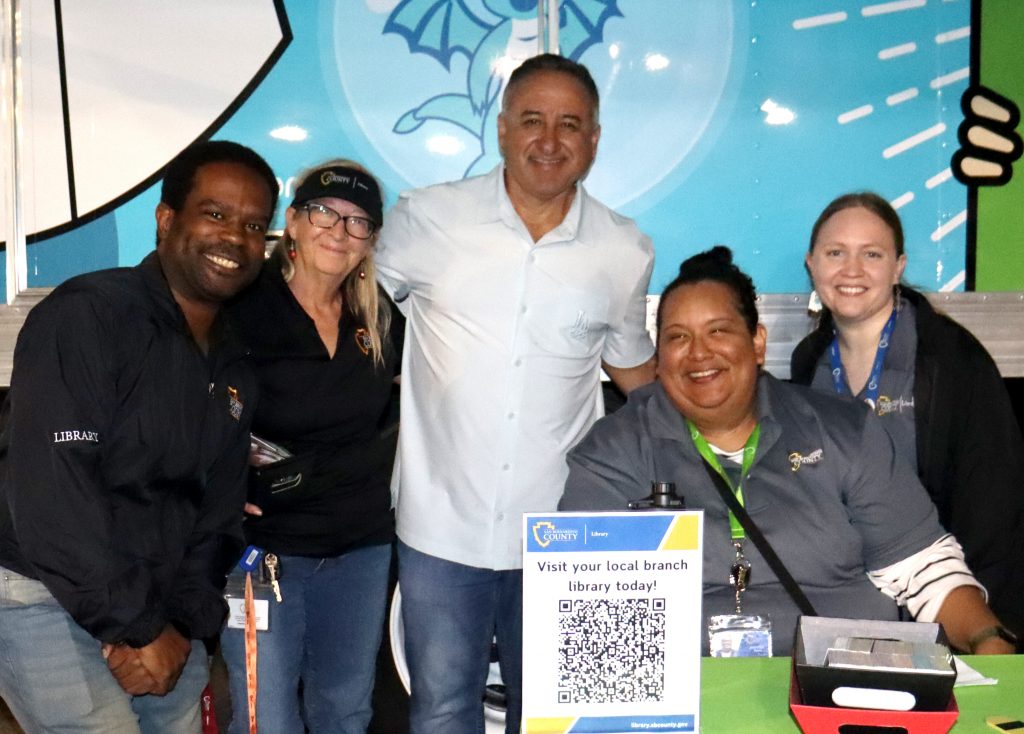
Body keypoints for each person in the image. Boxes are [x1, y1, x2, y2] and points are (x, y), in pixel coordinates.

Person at [375, 54, 657, 733]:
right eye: (532, 120)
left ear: (594, 139)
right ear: (502, 129)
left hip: (563, 529)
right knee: (442, 709)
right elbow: (344, 315)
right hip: (439, 525)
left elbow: (636, 375)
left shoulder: (624, 250)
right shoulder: (426, 218)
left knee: (560, 717)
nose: (549, 140)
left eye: (570, 124)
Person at [560, 246, 1017, 657]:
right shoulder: (615, 451)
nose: (698, 353)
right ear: (658, 358)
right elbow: (587, 606)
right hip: (683, 693)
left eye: (719, 330)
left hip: (846, 685)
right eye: (678, 337)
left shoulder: (843, 430)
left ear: (757, 342)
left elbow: (923, 571)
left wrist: (989, 640)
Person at [0, 140, 277, 733]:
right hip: (41, 589)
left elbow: (218, 517)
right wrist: (138, 626)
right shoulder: (89, 315)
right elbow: (55, 498)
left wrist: (179, 625)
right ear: (166, 218)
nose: (235, 237)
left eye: (254, 226)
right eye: (216, 213)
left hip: (160, 606)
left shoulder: (235, 365)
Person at [791, 192, 1024, 644]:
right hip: (843, 611)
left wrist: (977, 629)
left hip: (945, 606)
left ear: (898, 266)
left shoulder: (953, 360)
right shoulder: (807, 363)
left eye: (871, 254)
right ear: (811, 264)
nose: (852, 270)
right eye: (835, 253)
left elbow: (994, 511)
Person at [220, 160, 400, 733]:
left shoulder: (378, 317)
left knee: (345, 712)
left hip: (360, 550)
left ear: (370, 241)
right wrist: (217, 484)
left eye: (357, 221)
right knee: (265, 718)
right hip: (264, 553)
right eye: (323, 212)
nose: (338, 231)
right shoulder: (242, 308)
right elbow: (190, 408)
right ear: (293, 222)